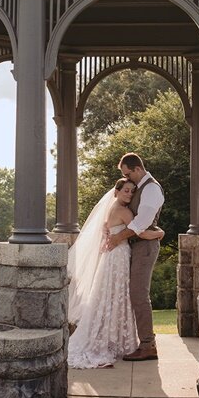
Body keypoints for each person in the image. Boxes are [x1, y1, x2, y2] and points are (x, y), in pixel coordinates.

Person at [67, 177, 163, 369]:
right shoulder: (123, 210)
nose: (129, 194)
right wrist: (160, 233)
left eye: (131, 191)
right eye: (126, 190)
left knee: (111, 296)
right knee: (118, 295)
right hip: (118, 256)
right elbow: (141, 231)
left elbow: (108, 229)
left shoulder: (112, 210)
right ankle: (113, 340)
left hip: (113, 256)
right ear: (116, 192)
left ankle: (110, 337)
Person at [106, 153, 164, 362]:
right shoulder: (141, 188)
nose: (127, 177)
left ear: (137, 168)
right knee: (133, 293)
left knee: (139, 293)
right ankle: (140, 342)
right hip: (135, 246)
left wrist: (118, 237)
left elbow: (141, 222)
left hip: (145, 245)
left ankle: (148, 345)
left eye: (127, 173)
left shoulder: (151, 189)